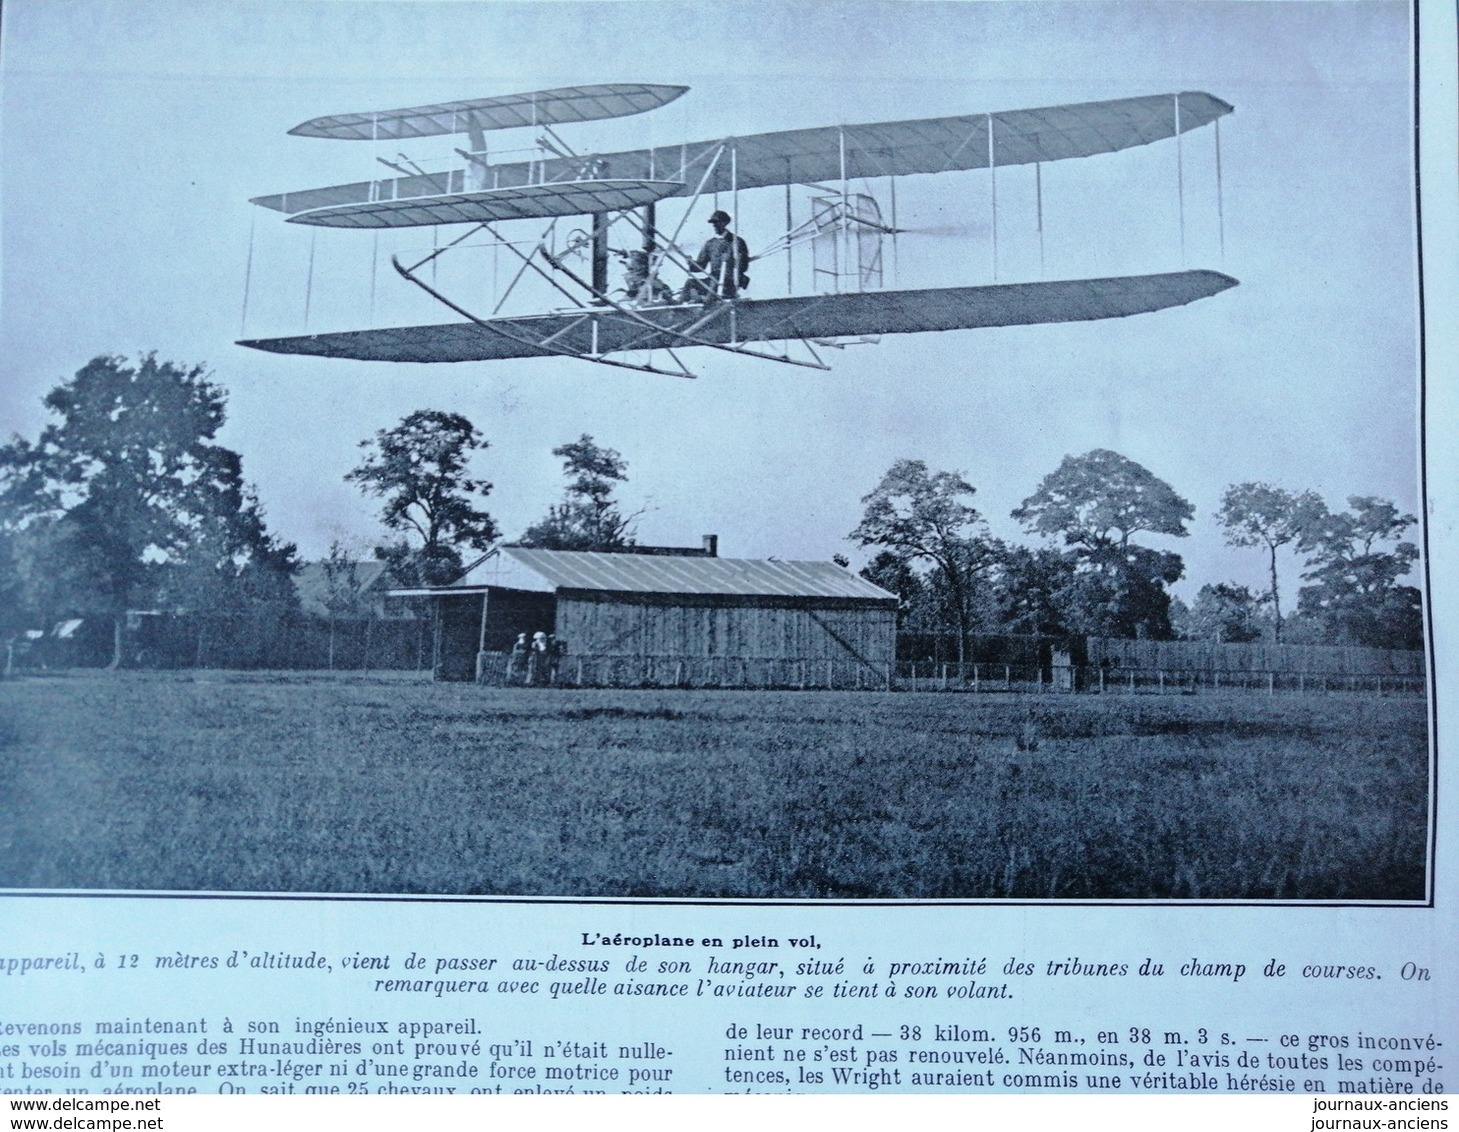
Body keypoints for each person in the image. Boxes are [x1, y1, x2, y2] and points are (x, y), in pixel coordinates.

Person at [683, 210, 749, 301]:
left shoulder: (737, 242)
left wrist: (733, 260)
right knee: (690, 283)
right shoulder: (710, 244)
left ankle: (706, 303)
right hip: (713, 280)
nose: (714, 225)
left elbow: (744, 267)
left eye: (717, 222)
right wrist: (691, 263)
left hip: (730, 281)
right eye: (713, 223)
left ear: (725, 223)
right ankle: (677, 308)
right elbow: (701, 266)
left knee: (714, 282)